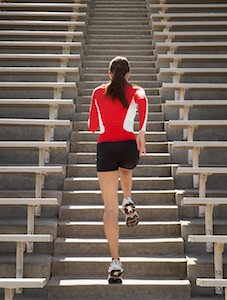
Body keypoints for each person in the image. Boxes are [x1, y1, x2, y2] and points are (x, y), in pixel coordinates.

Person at [88, 56, 148, 284]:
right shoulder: (136, 90)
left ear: (109, 73)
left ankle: (115, 261)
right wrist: (141, 133)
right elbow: (143, 103)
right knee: (126, 167)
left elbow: (94, 127)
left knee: (109, 209)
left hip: (105, 147)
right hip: (128, 146)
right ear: (128, 73)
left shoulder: (97, 93)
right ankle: (128, 199)